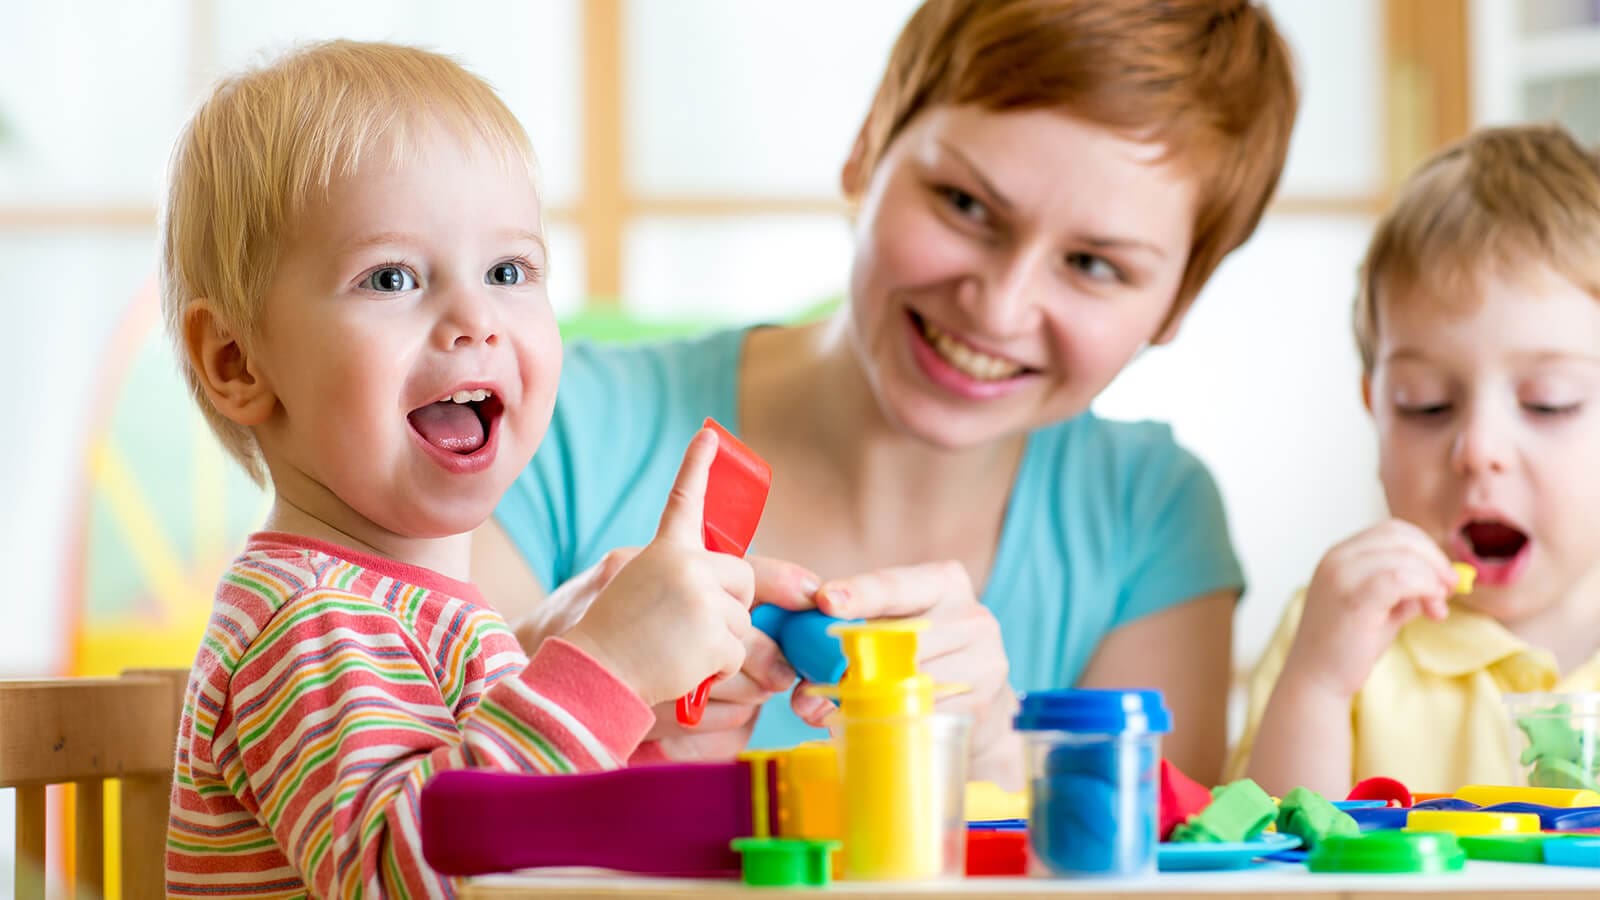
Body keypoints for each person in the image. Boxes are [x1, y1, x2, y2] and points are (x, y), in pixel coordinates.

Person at [477, 0, 1300, 787]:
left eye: (1093, 265)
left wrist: (993, 767)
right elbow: (400, 833)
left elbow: (1152, 873)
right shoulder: (549, 424)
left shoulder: (1151, 517)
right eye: (966, 205)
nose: (1001, 306)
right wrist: (572, 679)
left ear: (1180, 300)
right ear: (868, 147)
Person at [160, 41, 759, 897]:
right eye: (392, 277)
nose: (475, 318)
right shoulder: (310, 626)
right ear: (238, 362)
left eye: (509, 271)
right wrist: (608, 670)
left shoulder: (429, 620)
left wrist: (641, 731)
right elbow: (408, 871)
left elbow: (517, 819)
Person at [1233, 124, 1600, 796]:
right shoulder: (1337, 629)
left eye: (1550, 403)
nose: (1479, 452)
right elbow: (1261, 860)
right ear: (1375, 408)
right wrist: (1317, 686)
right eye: (1426, 405)